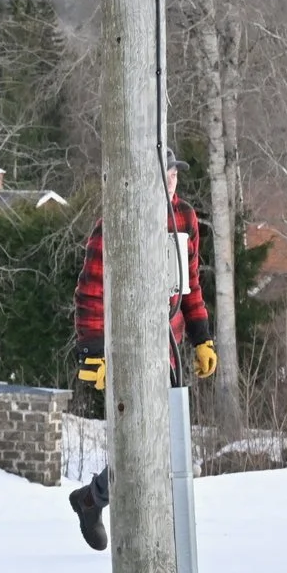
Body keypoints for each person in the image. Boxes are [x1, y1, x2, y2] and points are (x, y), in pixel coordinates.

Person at [67, 153, 215, 551]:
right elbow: (90, 292)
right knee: (142, 439)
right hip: (126, 346)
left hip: (168, 346)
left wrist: (202, 336)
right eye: (163, 177)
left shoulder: (185, 217)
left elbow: (191, 283)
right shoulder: (115, 223)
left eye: (173, 176)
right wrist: (93, 353)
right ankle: (102, 504)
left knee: (163, 441)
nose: (171, 184)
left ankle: (94, 498)